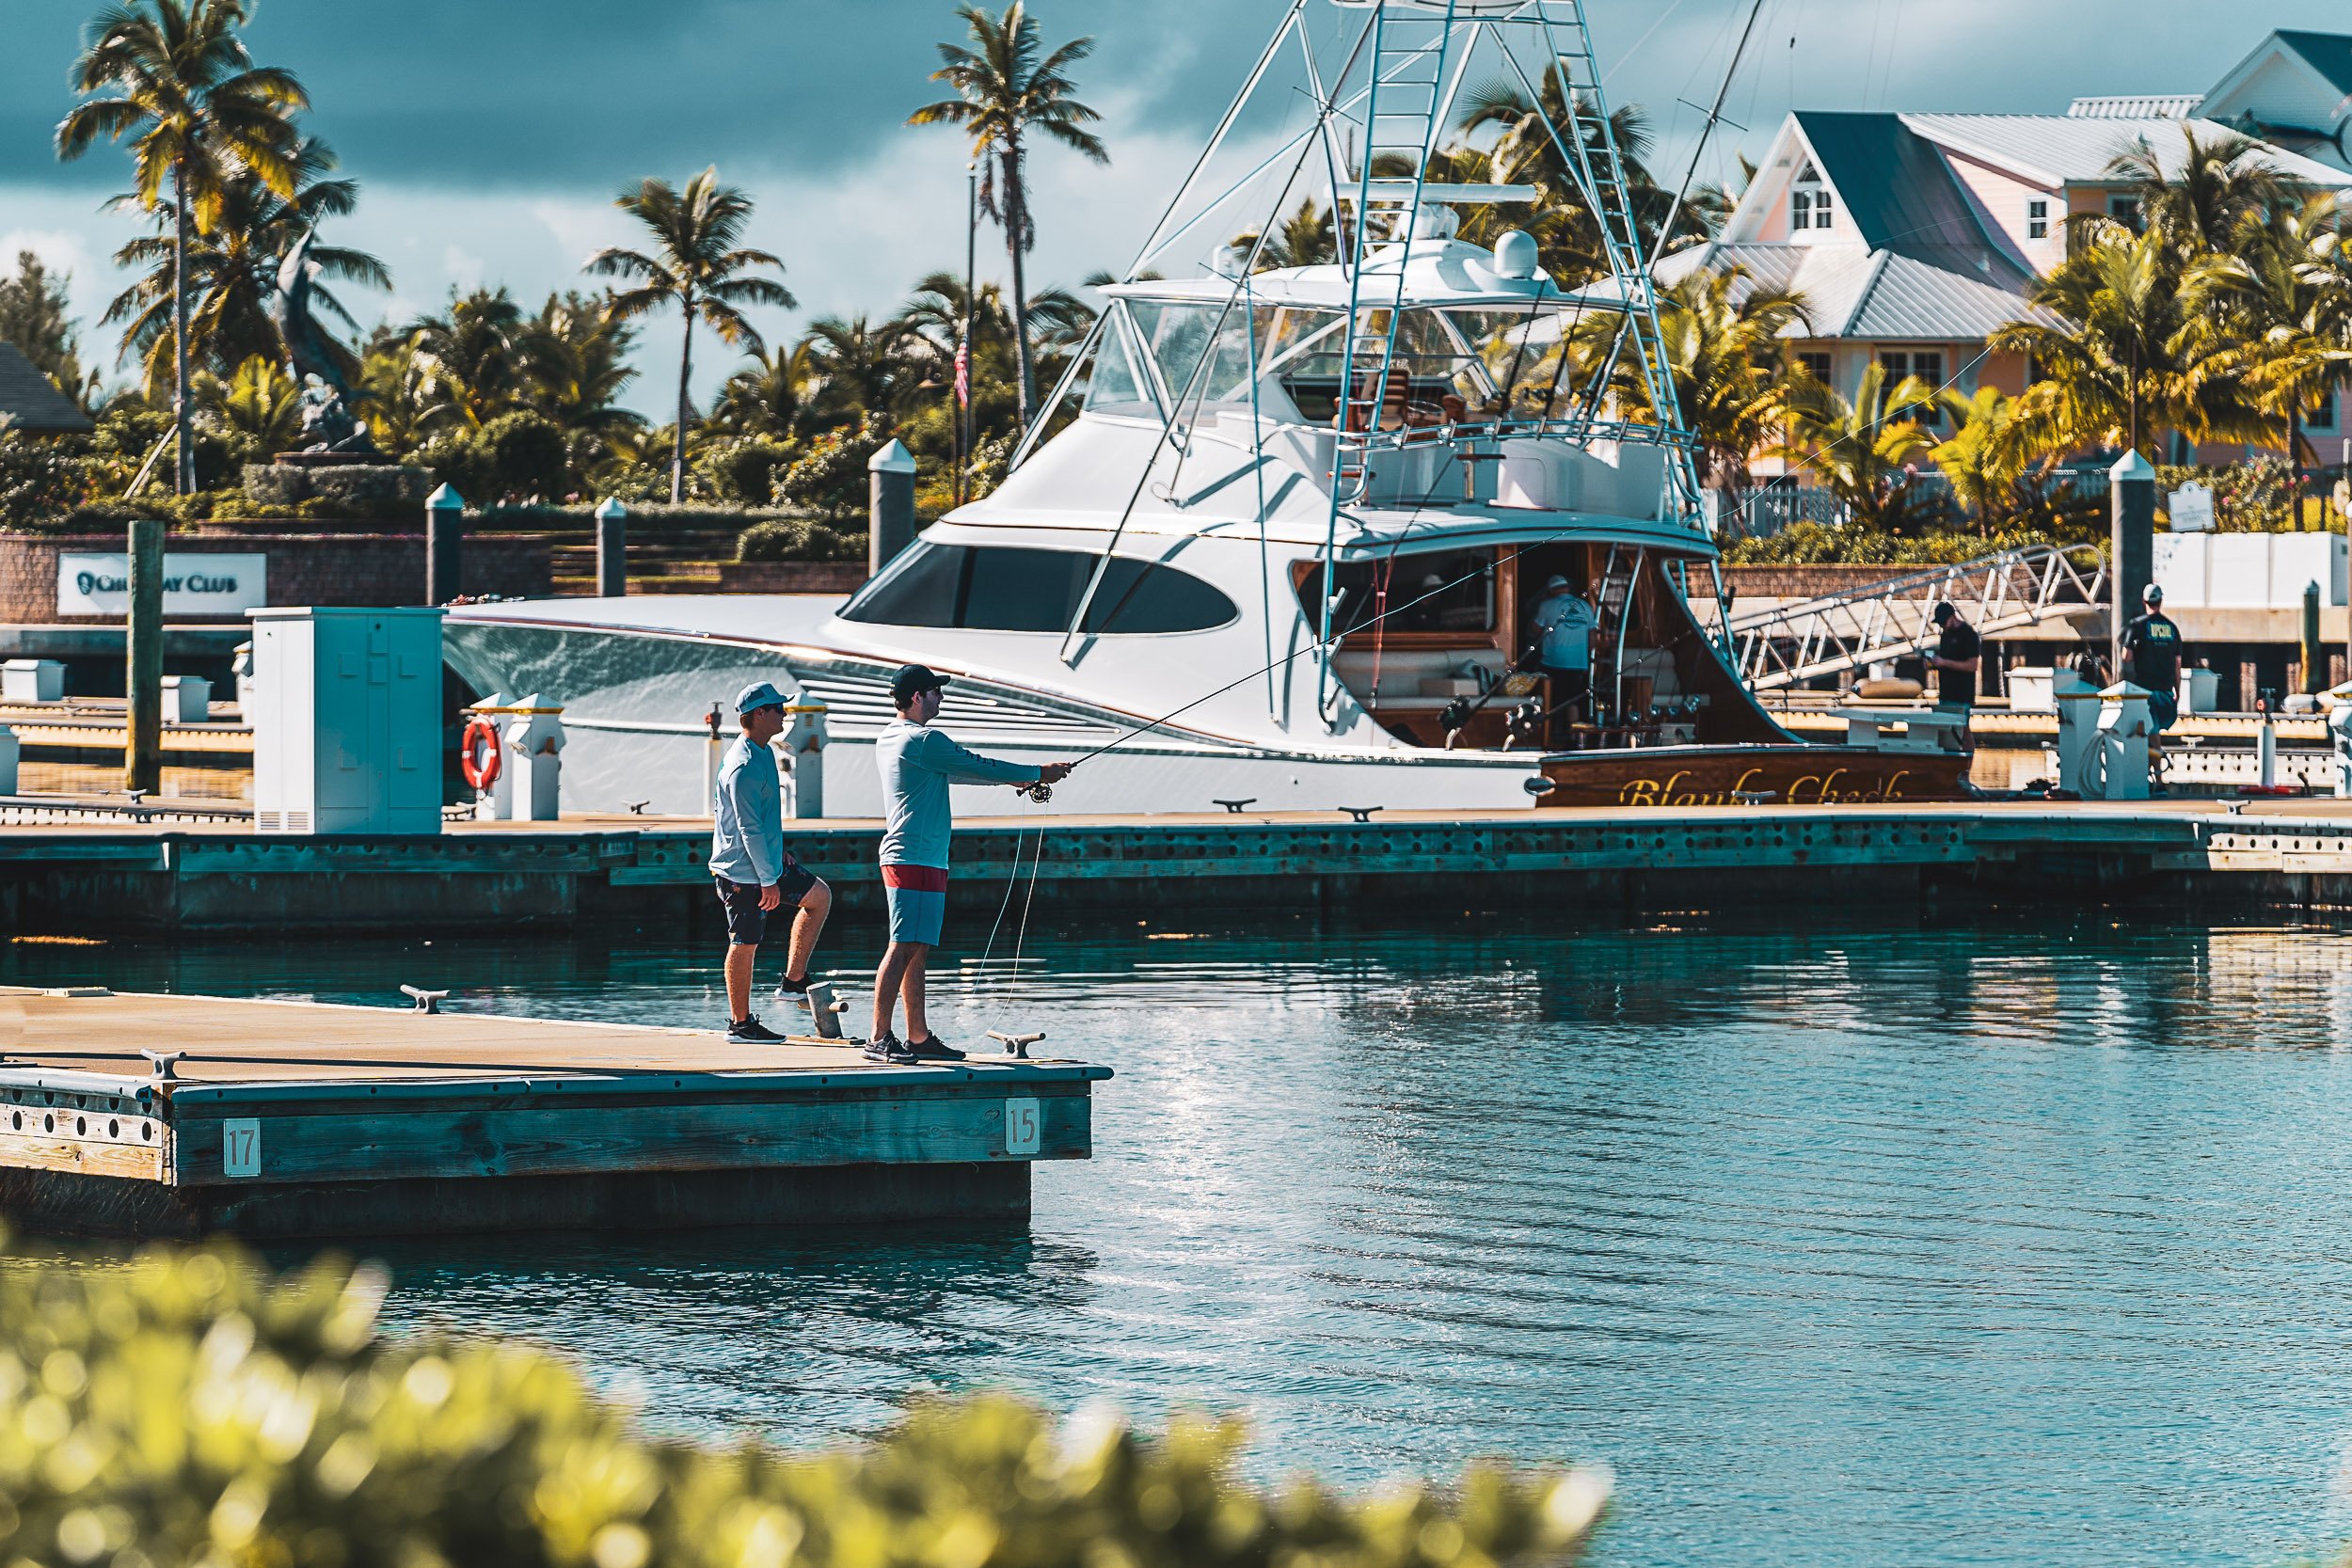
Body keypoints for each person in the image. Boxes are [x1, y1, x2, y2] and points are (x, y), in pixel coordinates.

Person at [869, 664, 1073, 1064]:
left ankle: (918, 1037)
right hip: (910, 855)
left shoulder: (894, 736)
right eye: (935, 692)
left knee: (918, 948)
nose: (940, 698)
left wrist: (1019, 781)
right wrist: (1038, 771)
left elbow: (961, 772)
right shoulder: (922, 738)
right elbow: (975, 763)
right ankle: (878, 1038)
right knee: (902, 946)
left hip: (925, 855)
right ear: (917, 697)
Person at [708, 680, 832, 1043]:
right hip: (742, 873)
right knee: (744, 942)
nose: (785, 713)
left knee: (818, 897)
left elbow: (761, 823)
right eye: (778, 708)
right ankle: (740, 1024)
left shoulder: (761, 749)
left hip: (766, 862)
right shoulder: (743, 765)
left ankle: (794, 982)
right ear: (759, 714)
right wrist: (767, 881)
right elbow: (748, 828)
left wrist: (777, 856)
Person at [1529, 575, 1597, 744]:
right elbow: (1593, 636)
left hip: (1553, 662)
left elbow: (1535, 629)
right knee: (1573, 698)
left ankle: (1549, 734)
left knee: (1551, 697)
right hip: (1578, 663)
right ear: (1567, 588)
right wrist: (1585, 656)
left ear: (1551, 590)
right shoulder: (1586, 606)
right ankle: (1574, 736)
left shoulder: (1546, 605)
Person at [2122, 581, 2185, 734]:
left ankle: (2154, 757)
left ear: (2144, 601)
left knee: (2149, 731)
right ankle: (2156, 756)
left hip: (2145, 691)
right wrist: (2177, 690)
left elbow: (2126, 656)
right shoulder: (2172, 627)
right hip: (2165, 692)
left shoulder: (2136, 625)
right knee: (2155, 731)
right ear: (2161, 601)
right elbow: (2177, 664)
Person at [1924, 601, 1980, 753]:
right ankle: (1950, 768)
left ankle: (1966, 769)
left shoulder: (1969, 634)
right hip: (1946, 692)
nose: (1943, 626)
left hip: (1962, 694)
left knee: (1963, 731)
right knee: (1945, 732)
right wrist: (1934, 664)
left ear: (1952, 617)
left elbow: (1972, 665)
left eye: (1944, 622)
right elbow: (1945, 660)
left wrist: (1944, 663)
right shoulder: (1946, 635)